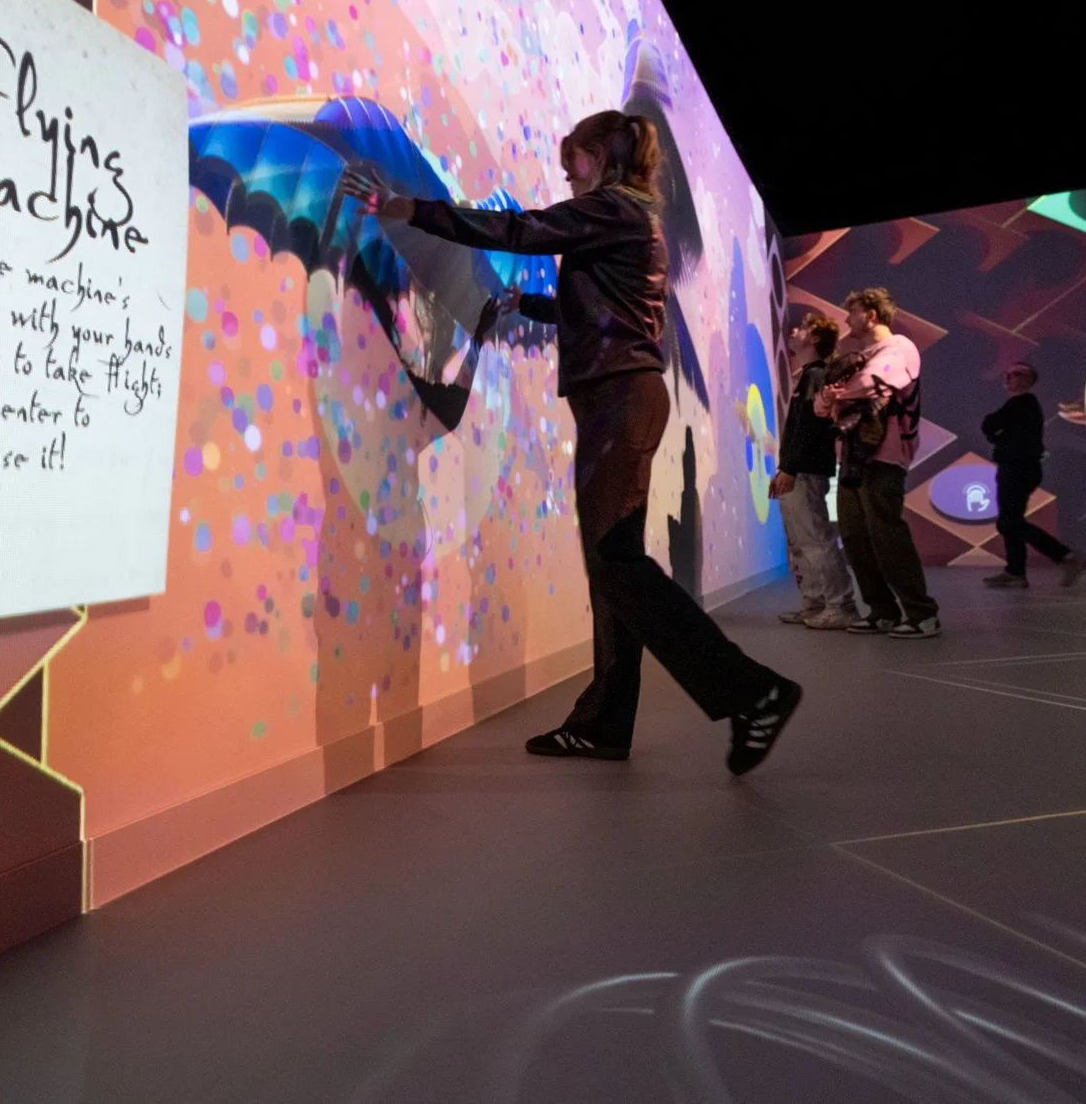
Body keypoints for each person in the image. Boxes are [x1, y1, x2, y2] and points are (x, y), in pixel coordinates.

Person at [340, 111, 802, 775]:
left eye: (576, 159)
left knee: (615, 563)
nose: (567, 171)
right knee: (611, 565)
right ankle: (605, 723)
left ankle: (752, 690)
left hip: (620, 401)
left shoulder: (613, 207)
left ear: (605, 157)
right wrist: (523, 308)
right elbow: (603, 309)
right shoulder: (629, 219)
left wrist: (406, 207)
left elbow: (521, 228)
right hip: (620, 399)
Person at [816, 287, 940, 638]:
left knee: (886, 533)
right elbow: (821, 406)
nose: (845, 319)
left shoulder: (899, 347)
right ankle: (881, 610)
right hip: (852, 459)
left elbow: (873, 382)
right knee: (855, 536)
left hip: (884, 458)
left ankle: (921, 614)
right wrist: (831, 395)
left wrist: (835, 392)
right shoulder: (857, 355)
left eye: (851, 311)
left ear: (871, 314)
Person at [771, 312, 858, 629]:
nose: (794, 330)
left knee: (816, 540)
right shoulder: (807, 376)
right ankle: (815, 602)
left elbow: (809, 428)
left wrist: (790, 468)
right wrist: (785, 467)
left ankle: (840, 605)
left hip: (805, 471)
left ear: (815, 339)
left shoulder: (816, 376)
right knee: (801, 542)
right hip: (798, 469)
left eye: (803, 328)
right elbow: (798, 430)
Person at [982, 362, 1086, 588]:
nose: (1009, 377)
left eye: (1016, 374)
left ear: (1029, 380)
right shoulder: (1019, 406)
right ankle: (1016, 572)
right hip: (1017, 467)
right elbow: (993, 427)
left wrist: (997, 438)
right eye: (1008, 373)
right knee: (1008, 521)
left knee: (1010, 521)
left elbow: (991, 424)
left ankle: (1066, 556)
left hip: (1019, 468)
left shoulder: (1022, 404)